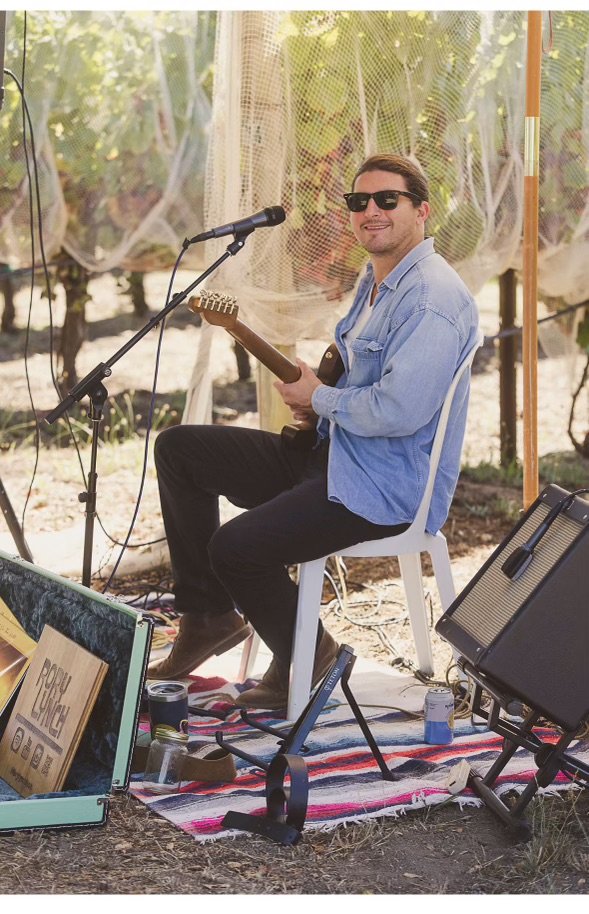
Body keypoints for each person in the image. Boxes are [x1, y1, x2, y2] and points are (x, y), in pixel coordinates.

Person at [148, 153, 479, 711]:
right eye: (358, 202)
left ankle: (314, 656)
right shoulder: (377, 283)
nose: (370, 211)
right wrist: (321, 408)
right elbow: (356, 384)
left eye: (386, 200)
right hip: (332, 454)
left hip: (381, 488)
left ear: (422, 210)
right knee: (180, 450)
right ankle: (208, 617)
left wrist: (322, 399)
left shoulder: (433, 299)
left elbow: (400, 410)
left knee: (236, 547)